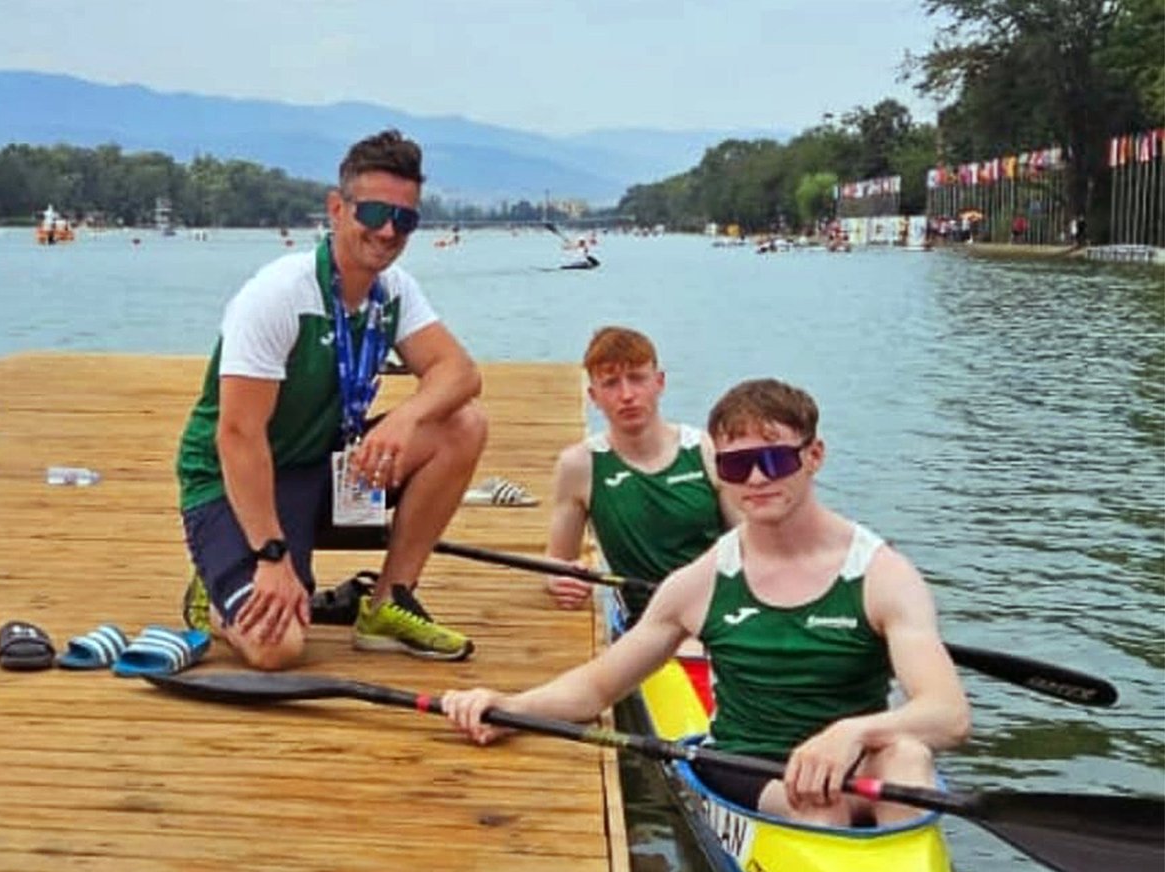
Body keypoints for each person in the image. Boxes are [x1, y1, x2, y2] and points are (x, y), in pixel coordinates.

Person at [443, 378, 971, 826]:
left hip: (852, 760)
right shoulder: (700, 583)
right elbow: (599, 688)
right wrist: (510, 707)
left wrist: (854, 732)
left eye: (774, 459)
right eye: (737, 467)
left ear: (814, 457)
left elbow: (948, 714)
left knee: (907, 754)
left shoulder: (882, 574)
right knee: (820, 807)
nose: (757, 479)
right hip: (750, 768)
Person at [176, 130, 486, 670]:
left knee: (463, 424)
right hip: (233, 480)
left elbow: (460, 372)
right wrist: (272, 557)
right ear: (338, 209)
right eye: (374, 212)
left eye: (405, 219)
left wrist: (406, 418)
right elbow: (237, 435)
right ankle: (218, 592)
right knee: (278, 648)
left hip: (319, 469)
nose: (388, 231)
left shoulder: (393, 290)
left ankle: (387, 604)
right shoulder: (279, 294)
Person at [544, 326, 737, 621]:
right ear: (594, 396)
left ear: (659, 382)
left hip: (717, 610)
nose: (627, 395)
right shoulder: (579, 465)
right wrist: (559, 581)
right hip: (646, 619)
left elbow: (751, 545)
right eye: (611, 383)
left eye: (637, 378)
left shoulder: (706, 450)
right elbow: (558, 562)